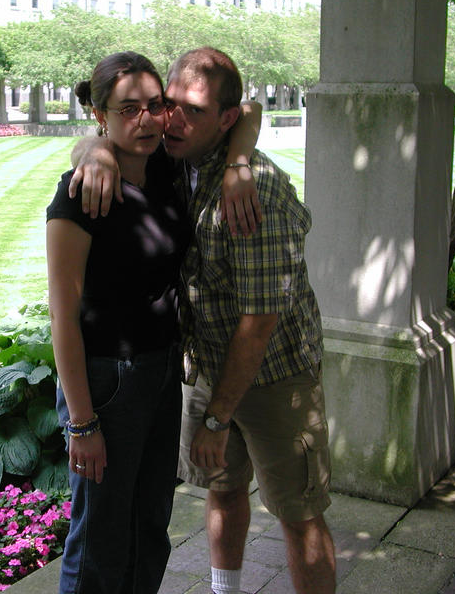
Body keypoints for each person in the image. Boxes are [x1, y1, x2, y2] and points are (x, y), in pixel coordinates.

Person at [72, 47, 336, 594]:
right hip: (206, 367)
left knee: (299, 512)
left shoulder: (256, 188)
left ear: (225, 119)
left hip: (275, 377)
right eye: (170, 103)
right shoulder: (173, 162)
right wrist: (93, 149)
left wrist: (218, 420)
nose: (172, 120)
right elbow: (107, 130)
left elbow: (259, 322)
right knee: (223, 488)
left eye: (193, 111)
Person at [45, 50, 261, 594]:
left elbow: (248, 110)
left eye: (155, 104)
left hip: (161, 372)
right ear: (101, 115)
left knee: (150, 528)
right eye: (127, 109)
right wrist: (82, 424)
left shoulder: (167, 167)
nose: (146, 119)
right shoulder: (79, 196)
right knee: (99, 540)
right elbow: (63, 318)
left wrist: (238, 162)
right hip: (105, 381)